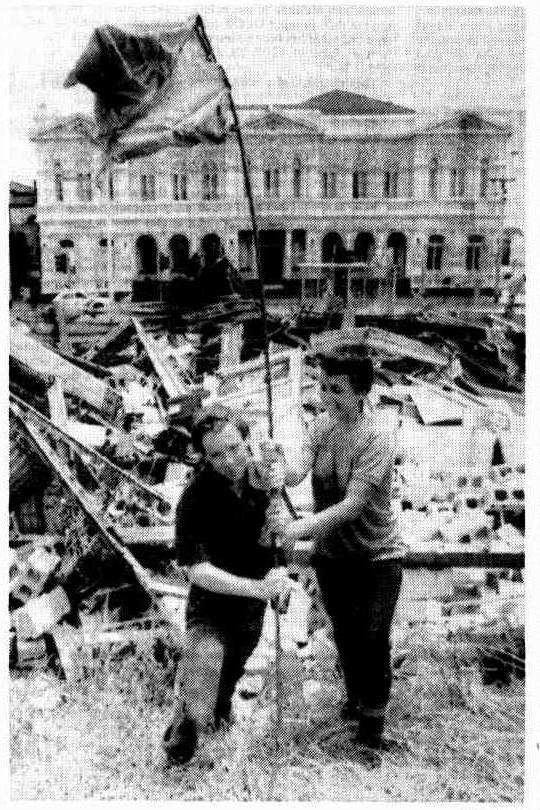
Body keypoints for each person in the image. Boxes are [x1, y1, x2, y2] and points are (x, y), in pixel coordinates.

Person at [273, 346, 405, 766]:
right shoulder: (321, 426)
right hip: (333, 558)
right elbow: (295, 472)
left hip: (377, 557)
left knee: (372, 638)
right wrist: (276, 464)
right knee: (346, 638)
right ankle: (356, 705)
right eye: (323, 386)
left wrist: (300, 529)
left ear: (363, 392)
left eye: (337, 389)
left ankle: (371, 733)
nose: (327, 397)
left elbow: (353, 504)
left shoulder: (378, 439)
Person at [162, 405, 296, 766]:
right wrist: (257, 588)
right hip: (211, 606)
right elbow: (197, 570)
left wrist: (281, 532)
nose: (228, 460)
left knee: (228, 679)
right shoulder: (195, 499)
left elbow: (284, 546)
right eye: (216, 454)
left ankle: (216, 713)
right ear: (202, 456)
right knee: (202, 679)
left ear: (247, 440)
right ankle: (181, 742)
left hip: (250, 613)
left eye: (234, 448)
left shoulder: (266, 481)